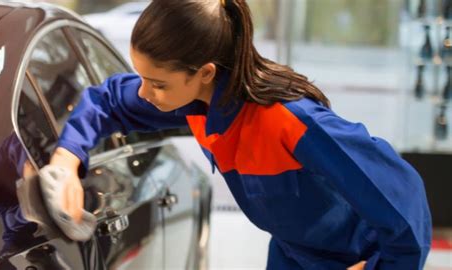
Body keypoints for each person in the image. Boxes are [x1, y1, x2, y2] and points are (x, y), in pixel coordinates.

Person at [49, 0, 432, 269]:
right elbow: (107, 101)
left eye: (158, 84)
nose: (146, 94)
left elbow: (404, 197)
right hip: (290, 256)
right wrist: (67, 160)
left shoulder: (289, 120)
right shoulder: (192, 101)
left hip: (349, 258)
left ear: (205, 72)